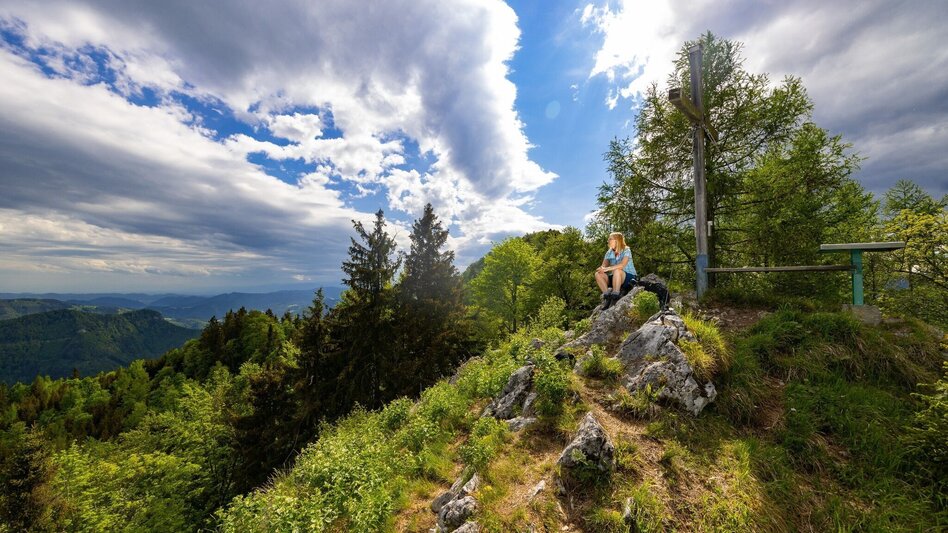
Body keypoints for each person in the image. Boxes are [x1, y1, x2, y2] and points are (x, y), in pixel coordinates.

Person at [595, 232, 637, 309]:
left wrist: (607, 269)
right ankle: (607, 296)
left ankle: (616, 295)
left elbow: (622, 265)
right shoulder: (609, 252)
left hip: (628, 277)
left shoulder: (626, 250)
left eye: (610, 239)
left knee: (617, 270)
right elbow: (604, 265)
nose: (608, 241)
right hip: (615, 277)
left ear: (617, 240)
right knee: (598, 274)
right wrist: (601, 268)